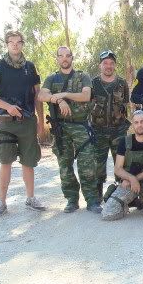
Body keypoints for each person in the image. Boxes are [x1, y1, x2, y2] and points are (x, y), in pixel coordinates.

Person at [0, 30, 46, 217]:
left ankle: (31, 198)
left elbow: (37, 96)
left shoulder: (30, 67)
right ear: (7, 44)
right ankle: (1, 202)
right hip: (6, 123)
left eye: (19, 42)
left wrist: (40, 121)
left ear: (22, 44)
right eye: (11, 42)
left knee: (29, 162)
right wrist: (8, 107)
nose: (15, 45)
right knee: (6, 162)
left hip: (27, 122)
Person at [38, 46, 101, 213]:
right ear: (57, 59)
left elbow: (86, 96)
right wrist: (58, 100)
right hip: (61, 128)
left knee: (87, 164)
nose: (64, 58)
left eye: (67, 56)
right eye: (61, 56)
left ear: (72, 58)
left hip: (80, 125)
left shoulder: (82, 76)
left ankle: (92, 200)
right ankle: (72, 200)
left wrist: (64, 94)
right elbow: (41, 96)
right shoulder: (52, 78)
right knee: (65, 165)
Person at [101, 110, 143, 221]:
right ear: (133, 125)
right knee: (108, 214)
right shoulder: (124, 141)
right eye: (136, 122)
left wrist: (135, 179)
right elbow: (118, 169)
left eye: (142, 122)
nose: (139, 125)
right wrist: (131, 178)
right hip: (129, 183)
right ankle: (131, 201)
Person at [89, 50, 130, 201]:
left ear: (115, 65)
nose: (108, 66)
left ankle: (121, 195)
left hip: (118, 131)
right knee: (97, 165)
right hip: (98, 131)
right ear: (100, 65)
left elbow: (125, 104)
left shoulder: (122, 83)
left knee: (121, 164)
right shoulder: (93, 84)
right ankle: (97, 197)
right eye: (105, 63)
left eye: (111, 63)